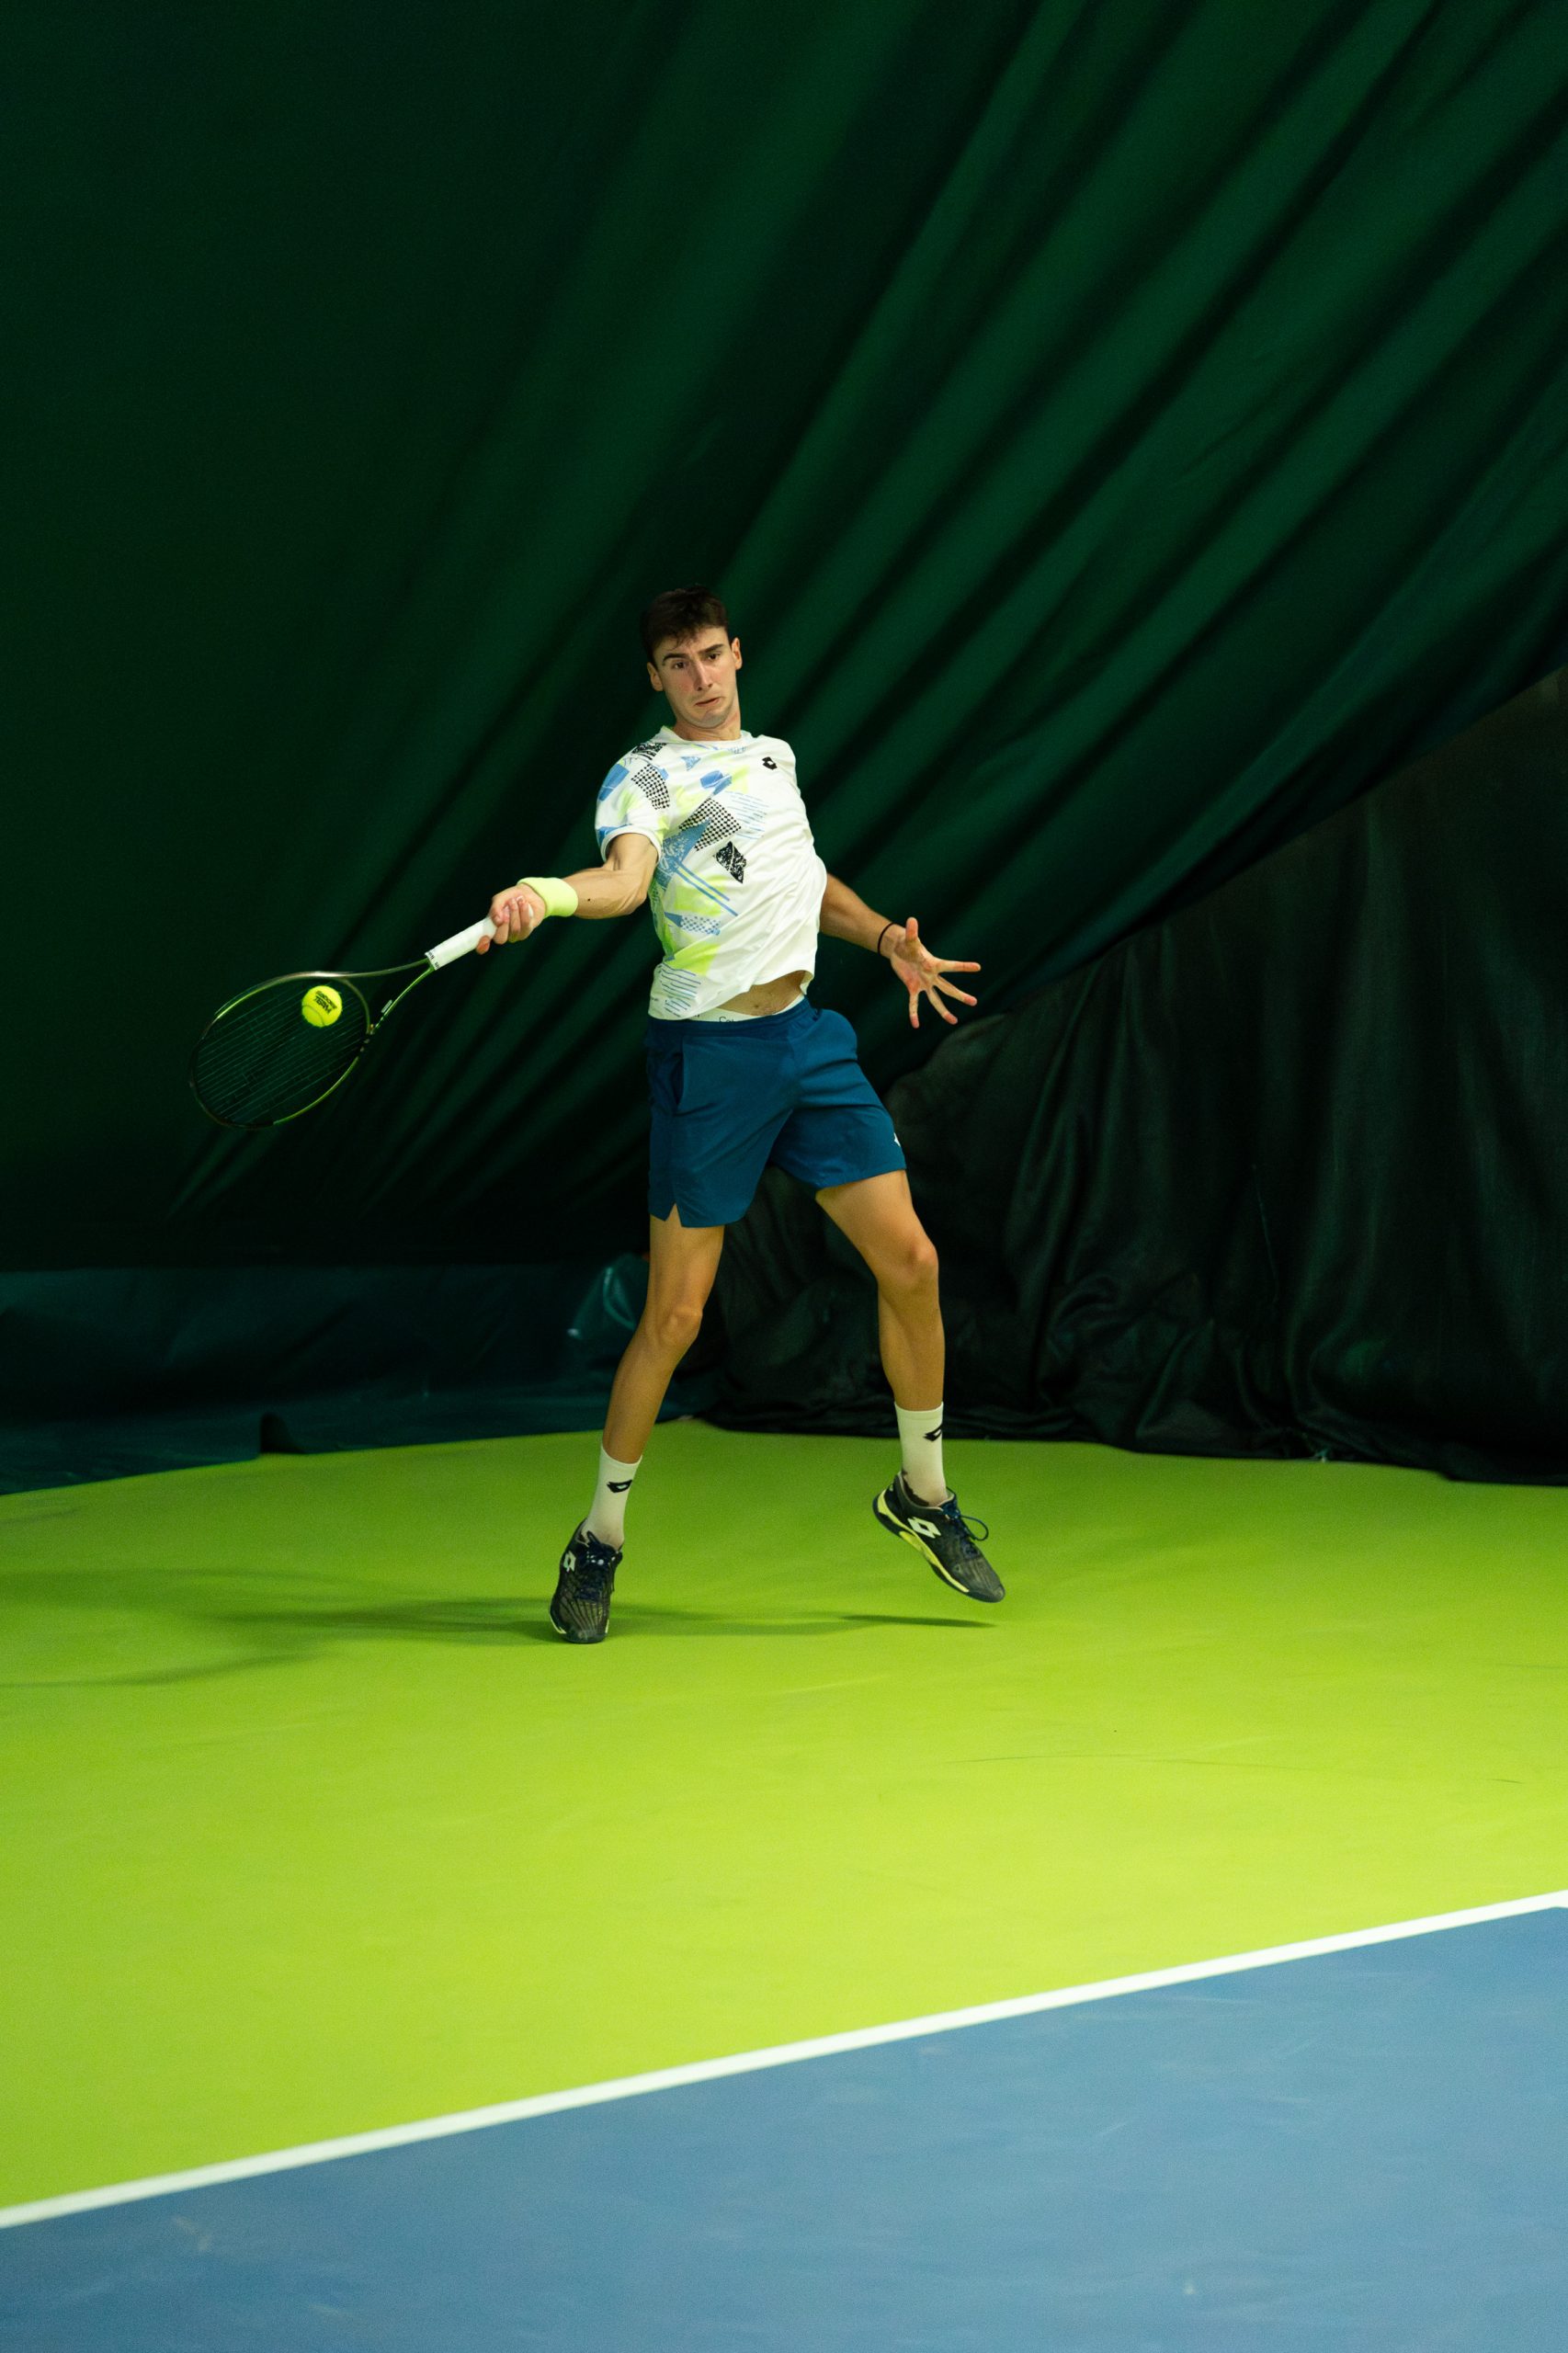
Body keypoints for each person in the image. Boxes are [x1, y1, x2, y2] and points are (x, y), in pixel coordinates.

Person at [480, 585, 1003, 1642]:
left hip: (807, 1042)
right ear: (655, 677)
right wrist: (548, 892)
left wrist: (886, 941)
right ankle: (597, 1539)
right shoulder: (644, 776)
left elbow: (804, 881)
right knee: (673, 1318)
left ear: (735, 654)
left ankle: (922, 1493)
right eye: (679, 663)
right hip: (709, 1058)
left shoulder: (772, 760)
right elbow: (624, 883)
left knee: (911, 1264)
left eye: (712, 654)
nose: (701, 677)